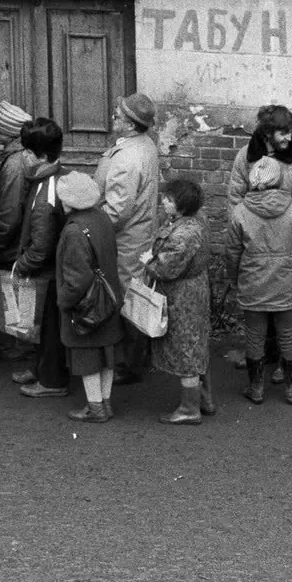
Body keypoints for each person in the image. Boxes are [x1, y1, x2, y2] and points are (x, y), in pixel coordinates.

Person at [228, 104, 292, 384]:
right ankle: (263, 357)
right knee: (261, 316)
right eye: (283, 133)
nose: (288, 138)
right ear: (267, 132)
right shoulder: (245, 157)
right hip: (256, 243)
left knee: (283, 318)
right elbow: (234, 198)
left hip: (285, 242)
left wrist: (288, 232)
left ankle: (281, 363)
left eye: (291, 132)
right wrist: (247, 231)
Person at [95, 93, 161, 384]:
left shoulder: (128, 158)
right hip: (139, 233)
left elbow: (117, 209)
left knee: (127, 298)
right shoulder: (143, 146)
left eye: (118, 116)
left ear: (132, 125)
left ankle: (130, 364)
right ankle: (137, 359)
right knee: (135, 294)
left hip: (126, 239)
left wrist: (91, 229)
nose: (113, 118)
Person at [54, 171, 125, 423]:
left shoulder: (73, 231)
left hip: (88, 304)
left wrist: (63, 301)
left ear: (71, 202)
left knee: (87, 356)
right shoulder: (102, 217)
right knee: (106, 354)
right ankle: (105, 403)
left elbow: (77, 279)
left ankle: (94, 408)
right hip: (108, 296)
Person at [143, 178, 214, 424]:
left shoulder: (184, 232)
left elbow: (166, 267)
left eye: (170, 199)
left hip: (182, 295)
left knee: (186, 350)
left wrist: (148, 262)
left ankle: (189, 409)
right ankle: (204, 400)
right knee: (195, 345)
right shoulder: (197, 221)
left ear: (182, 205)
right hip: (194, 290)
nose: (164, 201)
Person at [12, 118, 72, 398]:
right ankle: (41, 369)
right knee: (40, 327)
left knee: (47, 329)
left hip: (47, 273)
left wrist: (22, 265)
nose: (22, 156)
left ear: (41, 156)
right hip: (50, 270)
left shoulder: (47, 189)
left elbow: (42, 245)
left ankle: (52, 381)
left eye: (26, 152)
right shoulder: (51, 177)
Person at [0, 101, 37, 360]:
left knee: (18, 290)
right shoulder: (16, 156)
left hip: (13, 242)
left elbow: (9, 212)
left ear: (7, 132)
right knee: (18, 290)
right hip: (17, 239)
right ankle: (21, 340)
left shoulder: (15, 164)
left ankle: (23, 344)